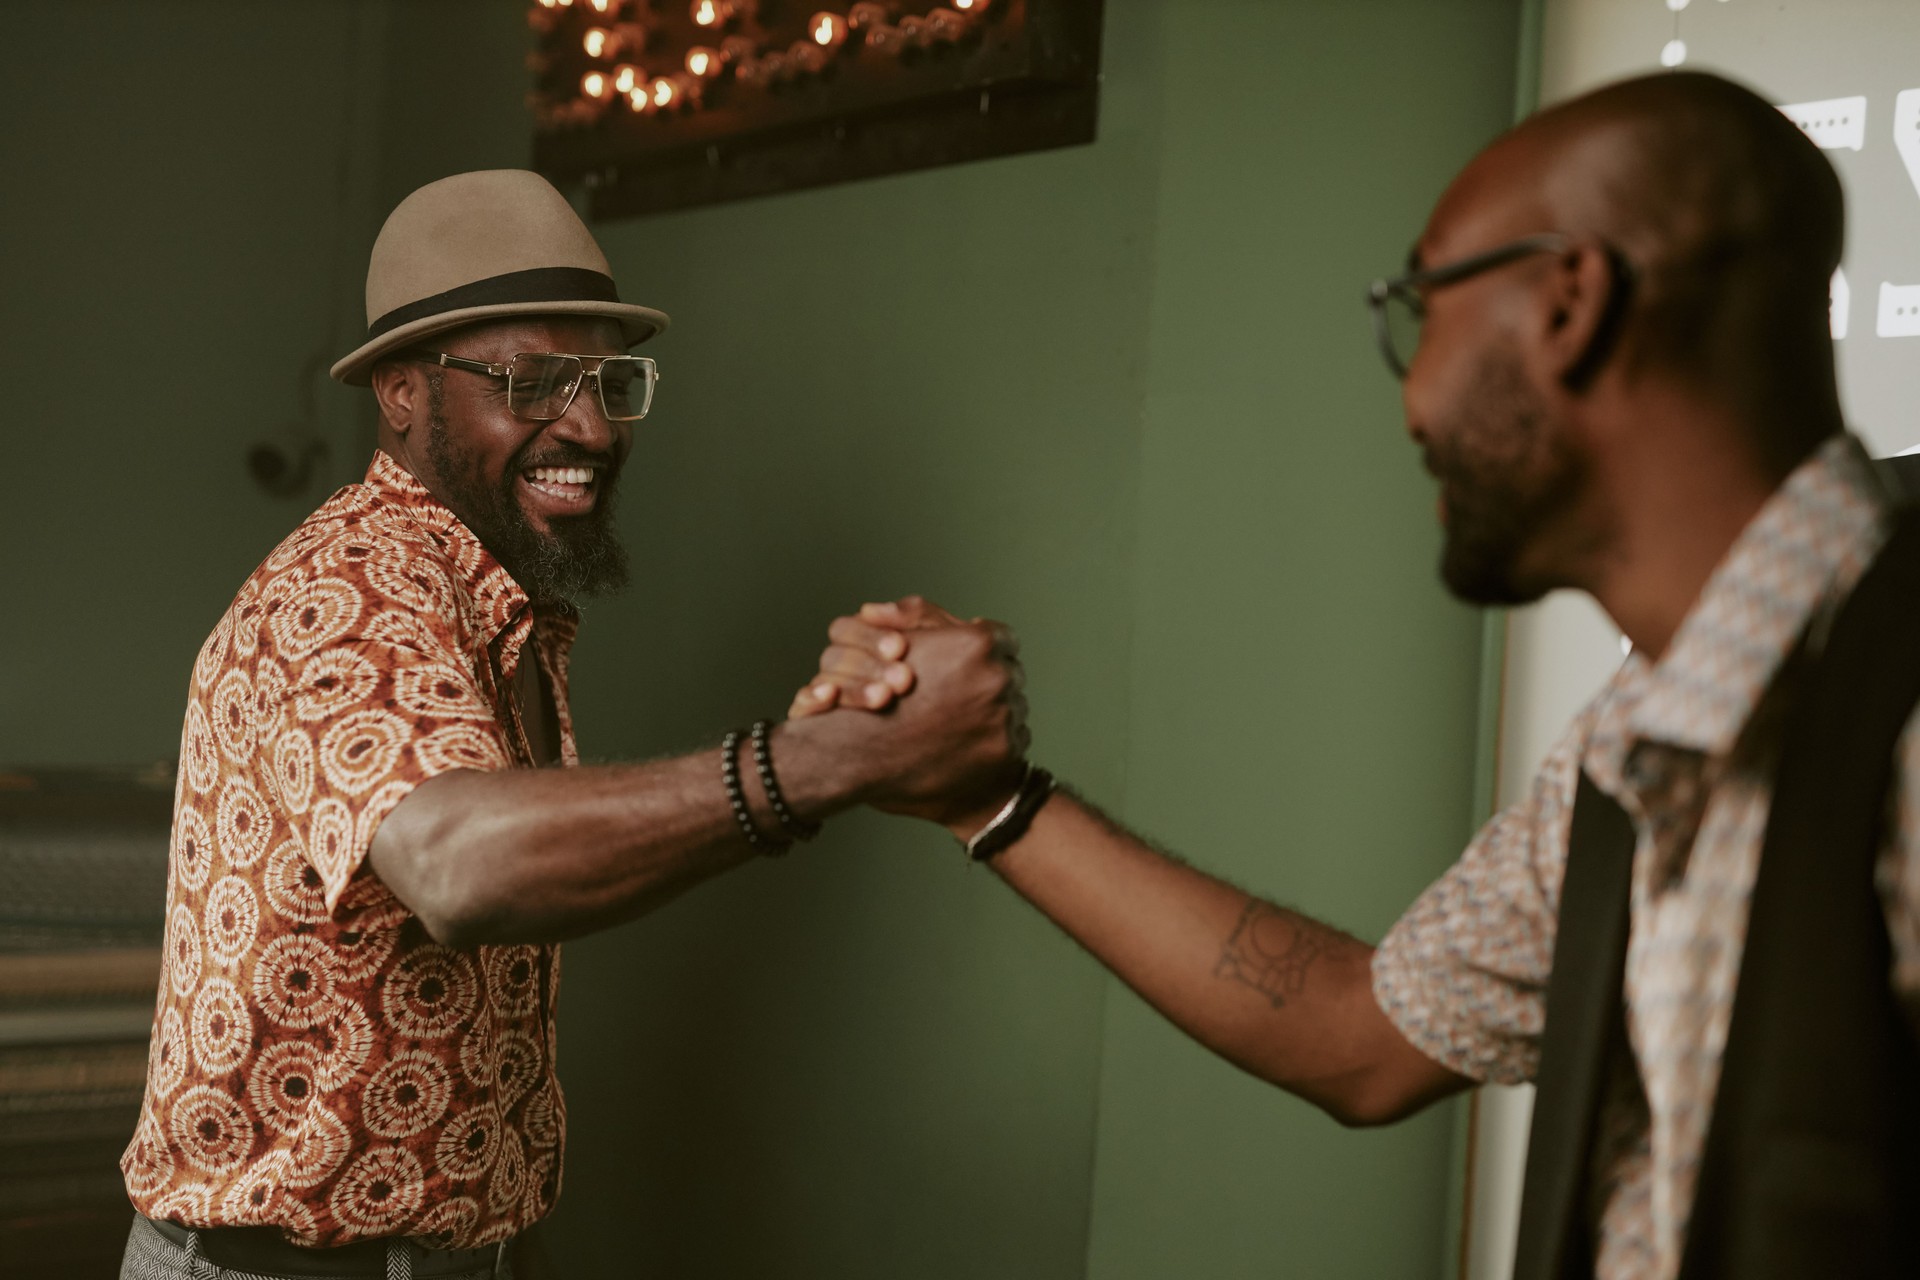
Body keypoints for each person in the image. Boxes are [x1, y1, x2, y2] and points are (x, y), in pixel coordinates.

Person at [797, 70, 1920, 1279]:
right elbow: (1363, 1034)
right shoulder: (1638, 739)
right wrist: (980, 791)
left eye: (1422, 302)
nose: (1410, 404)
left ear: (1569, 302)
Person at [118, 170, 1026, 1280]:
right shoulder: (349, 592)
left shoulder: (500, 601)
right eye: (534, 378)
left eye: (609, 379)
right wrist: (825, 759)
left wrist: (510, 1236)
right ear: (402, 392)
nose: (590, 425)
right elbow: (459, 864)